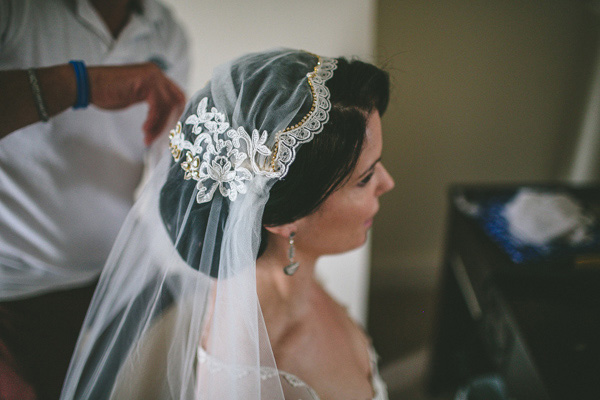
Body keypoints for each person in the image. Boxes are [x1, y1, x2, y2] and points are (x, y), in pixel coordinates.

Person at [60, 48, 394, 400]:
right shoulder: (255, 378)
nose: (387, 183)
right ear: (285, 219)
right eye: (365, 178)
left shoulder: (300, 283)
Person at [0, 1, 189, 399]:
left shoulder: (166, 32)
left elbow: (162, 160)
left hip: (110, 284)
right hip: (10, 294)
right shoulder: (19, 12)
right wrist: (79, 84)